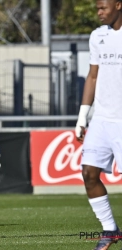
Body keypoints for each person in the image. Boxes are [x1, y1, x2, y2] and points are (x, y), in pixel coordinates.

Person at [75, 0, 122, 249]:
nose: (99, 13)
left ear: (118, 5)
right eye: (97, 8)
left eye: (103, 7)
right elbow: (92, 76)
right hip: (101, 120)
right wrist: (83, 116)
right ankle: (110, 230)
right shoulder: (97, 36)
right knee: (88, 174)